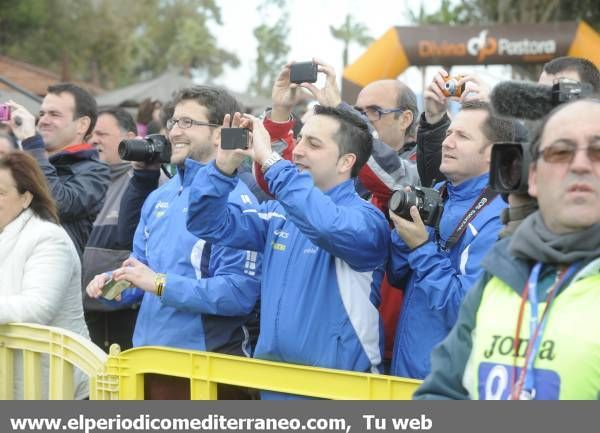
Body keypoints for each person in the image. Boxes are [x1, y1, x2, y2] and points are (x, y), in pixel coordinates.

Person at [186, 104, 390, 399]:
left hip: (339, 392)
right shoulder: (279, 212)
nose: (297, 150)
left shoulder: (367, 221)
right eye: (301, 138)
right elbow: (205, 222)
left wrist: (270, 160)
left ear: (346, 161)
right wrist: (222, 167)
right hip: (275, 385)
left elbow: (324, 226)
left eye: (314, 143)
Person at [415, 98, 600, 400]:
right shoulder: (500, 273)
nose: (579, 164)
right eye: (561, 151)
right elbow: (442, 393)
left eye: (598, 151)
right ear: (534, 178)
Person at [86, 86, 261, 400]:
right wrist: (115, 284)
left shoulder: (236, 199)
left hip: (206, 370)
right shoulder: (159, 197)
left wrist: (160, 283)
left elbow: (238, 294)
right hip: (145, 362)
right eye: (173, 122)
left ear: (221, 134)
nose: (174, 132)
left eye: (187, 123)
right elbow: (143, 274)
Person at [388, 100, 516, 380]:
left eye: (463, 136)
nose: (448, 143)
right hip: (405, 371)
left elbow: (464, 309)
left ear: (492, 154)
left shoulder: (500, 217)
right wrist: (402, 234)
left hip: (447, 386)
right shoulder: (438, 195)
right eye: (449, 133)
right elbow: (398, 276)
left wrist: (422, 248)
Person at [0, 151, 90, 399]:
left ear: (26, 198)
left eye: (1, 192)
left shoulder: (48, 238)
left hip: (59, 388)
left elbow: (38, 307)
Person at [6, 84, 110, 257]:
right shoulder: (34, 158)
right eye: (41, 114)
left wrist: (32, 144)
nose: (43, 121)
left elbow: (59, 205)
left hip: (54, 274)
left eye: (54, 114)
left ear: (82, 125)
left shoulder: (96, 171)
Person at [83, 107, 139, 351]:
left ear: (128, 139)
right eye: (92, 134)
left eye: (102, 134)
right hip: (85, 310)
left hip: (125, 313)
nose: (94, 139)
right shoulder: (85, 179)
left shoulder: (148, 182)